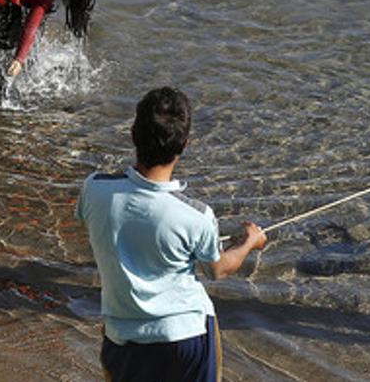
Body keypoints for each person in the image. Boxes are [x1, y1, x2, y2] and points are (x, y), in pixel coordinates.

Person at [76, 87, 268, 381]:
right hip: (186, 338)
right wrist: (249, 243)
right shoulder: (196, 215)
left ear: (132, 134)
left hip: (121, 337)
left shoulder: (94, 188)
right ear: (185, 145)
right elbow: (218, 269)